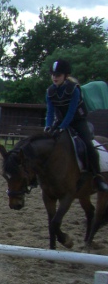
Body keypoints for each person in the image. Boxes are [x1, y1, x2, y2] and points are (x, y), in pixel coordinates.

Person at [45, 58, 108, 193]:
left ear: (65, 76)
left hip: (78, 122)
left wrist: (62, 127)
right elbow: (50, 112)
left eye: (58, 75)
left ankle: (97, 177)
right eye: (53, 75)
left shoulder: (74, 89)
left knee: (89, 145)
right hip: (60, 122)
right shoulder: (50, 91)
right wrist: (48, 126)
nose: (55, 78)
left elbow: (71, 112)